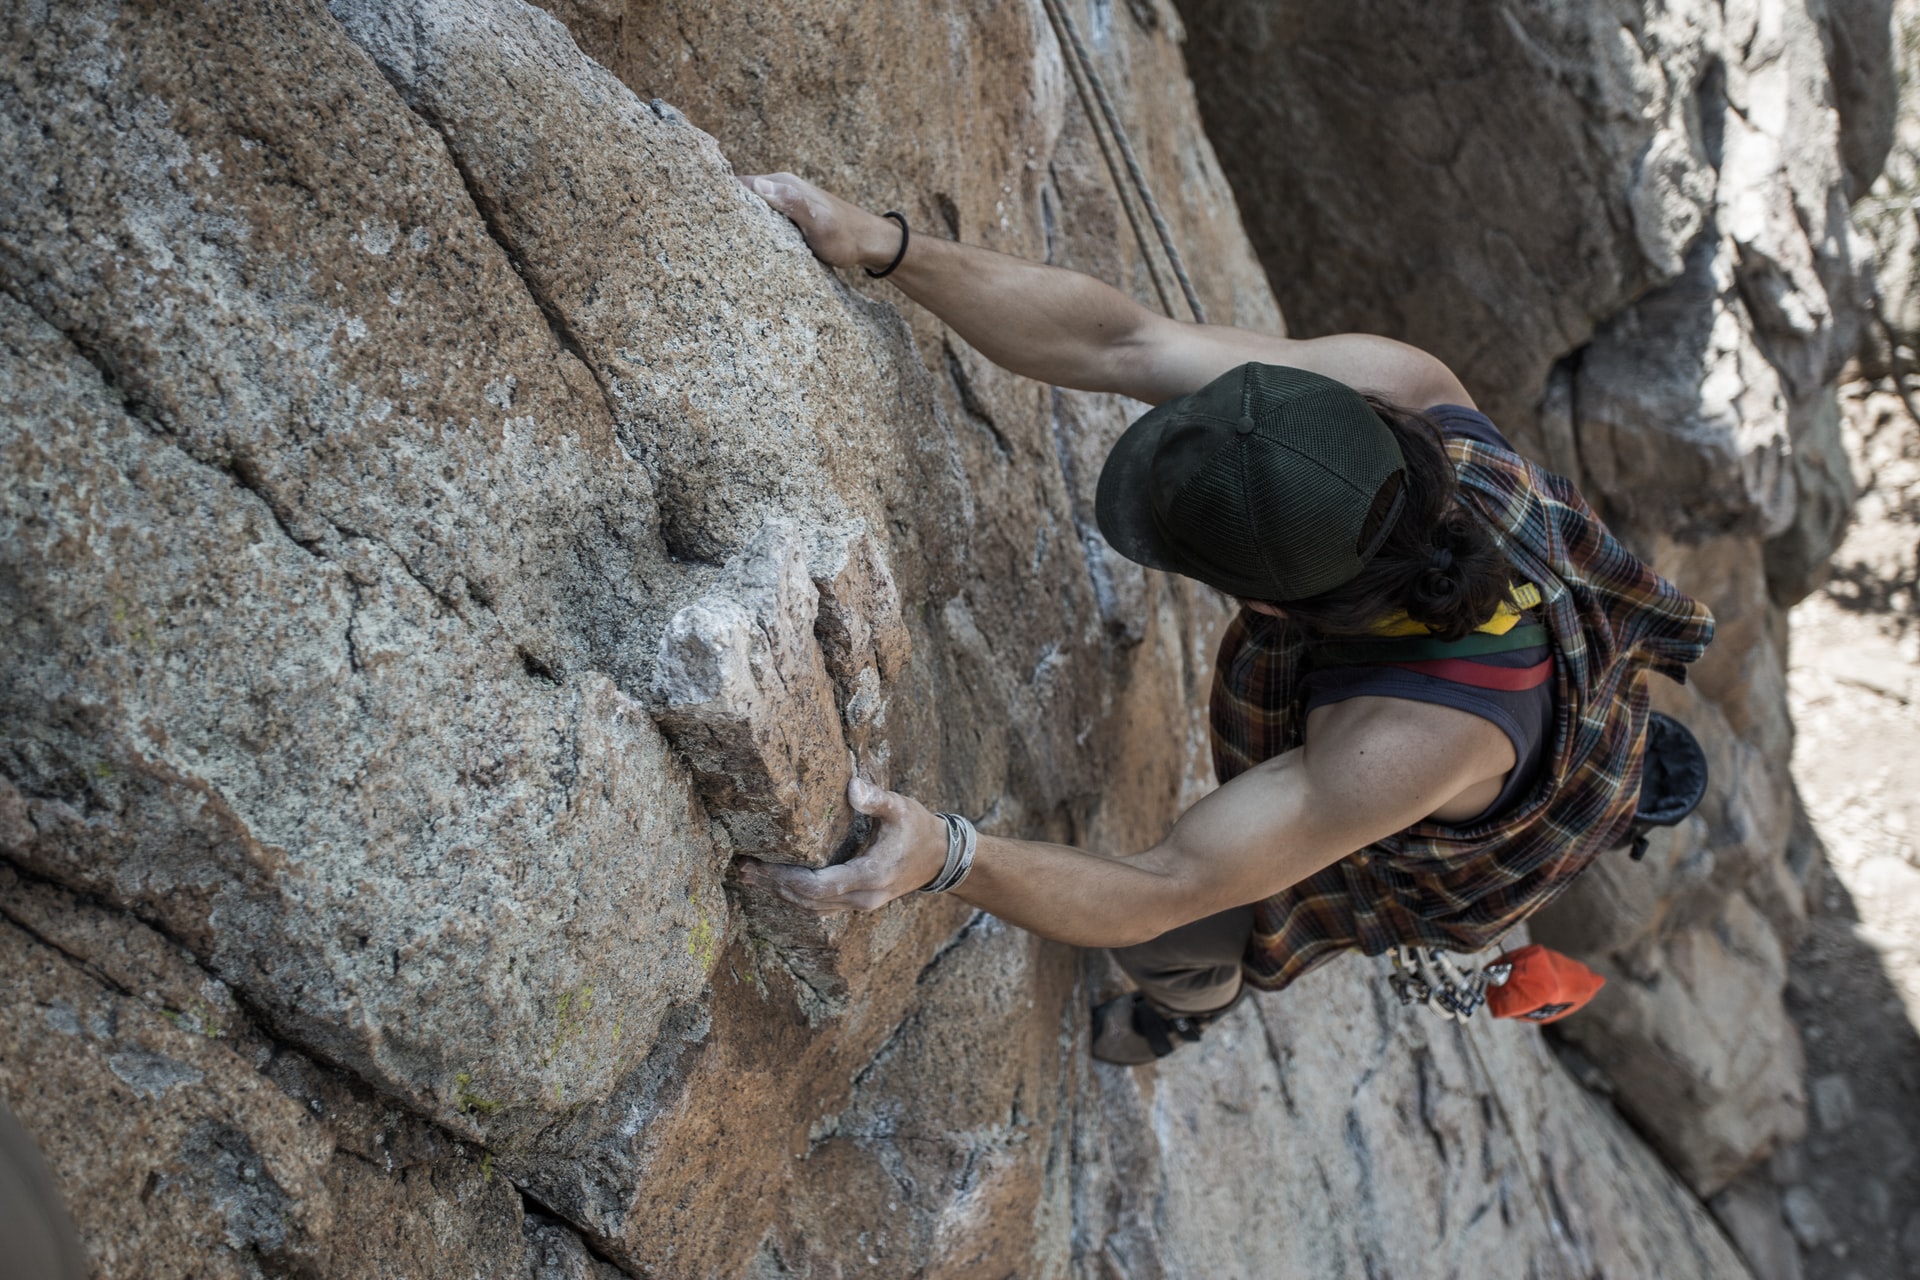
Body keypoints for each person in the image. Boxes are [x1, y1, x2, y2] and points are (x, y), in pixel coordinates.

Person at [730, 173, 1714, 1064]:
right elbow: (1124, 341)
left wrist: (945, 855)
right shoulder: (1401, 386)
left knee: (1193, 936)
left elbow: (1165, 883)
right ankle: (1631, 754)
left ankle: (1187, 1005)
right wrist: (885, 245)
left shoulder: (1397, 748)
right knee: (1568, 722)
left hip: (1501, 777)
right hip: (1546, 663)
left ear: (1268, 608)